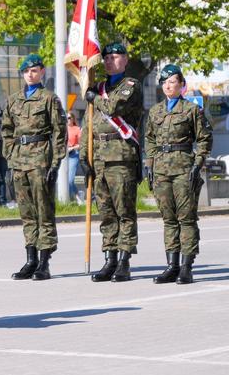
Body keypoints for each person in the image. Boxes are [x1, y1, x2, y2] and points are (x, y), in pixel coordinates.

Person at [80, 42, 143, 283]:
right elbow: (89, 125)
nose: (109, 61)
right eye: (106, 58)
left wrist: (94, 96)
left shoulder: (131, 86)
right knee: (106, 212)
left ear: (125, 60)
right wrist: (85, 158)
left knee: (124, 211)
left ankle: (125, 261)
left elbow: (114, 108)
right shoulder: (98, 88)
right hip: (99, 158)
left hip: (120, 155)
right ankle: (110, 258)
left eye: (115, 57)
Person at [145, 64, 213, 284]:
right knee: (169, 219)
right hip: (161, 170)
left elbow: (204, 138)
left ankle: (186, 266)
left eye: (172, 81)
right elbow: (150, 140)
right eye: (164, 82)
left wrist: (198, 164)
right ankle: (171, 266)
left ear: (182, 85)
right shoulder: (155, 111)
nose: (167, 86)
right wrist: (150, 165)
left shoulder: (191, 109)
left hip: (184, 168)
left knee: (186, 218)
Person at [1, 54, 67, 280]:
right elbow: (7, 131)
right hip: (19, 160)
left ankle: (44, 262)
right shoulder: (13, 100)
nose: (30, 74)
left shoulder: (49, 98)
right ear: (22, 74)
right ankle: (30, 259)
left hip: (41, 159)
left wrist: (56, 162)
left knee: (44, 211)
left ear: (42, 73)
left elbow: (60, 132)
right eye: (27, 71)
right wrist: (10, 157)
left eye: (35, 70)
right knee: (27, 213)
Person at [67, 112, 82, 203]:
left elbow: (81, 144)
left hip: (73, 155)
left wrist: (72, 147)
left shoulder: (77, 129)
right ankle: (70, 199)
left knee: (70, 179)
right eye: (66, 118)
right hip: (63, 156)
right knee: (63, 180)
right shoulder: (63, 129)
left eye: (69, 118)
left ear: (73, 119)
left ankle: (77, 196)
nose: (67, 120)